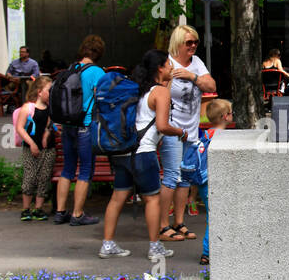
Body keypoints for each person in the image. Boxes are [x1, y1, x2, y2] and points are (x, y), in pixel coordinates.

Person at [99, 50, 186, 262]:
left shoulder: (136, 88)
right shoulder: (160, 92)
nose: (171, 68)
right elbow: (163, 126)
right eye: (168, 64)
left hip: (122, 150)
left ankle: (107, 244)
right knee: (152, 199)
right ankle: (155, 247)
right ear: (160, 68)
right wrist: (181, 132)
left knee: (118, 197)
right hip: (144, 153)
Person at [158, 25, 216, 242]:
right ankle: (163, 226)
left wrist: (192, 76)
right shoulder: (167, 63)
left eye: (195, 42)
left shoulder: (197, 63)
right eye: (188, 42)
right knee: (172, 176)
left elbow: (211, 84)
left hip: (191, 131)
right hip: (172, 130)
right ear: (178, 42)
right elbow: (156, 90)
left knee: (185, 179)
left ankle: (178, 222)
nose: (193, 46)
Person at [53, 34, 106, 226]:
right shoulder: (97, 72)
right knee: (85, 170)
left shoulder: (71, 68)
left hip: (68, 125)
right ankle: (77, 214)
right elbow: (101, 98)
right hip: (85, 125)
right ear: (99, 52)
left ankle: (60, 212)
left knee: (67, 168)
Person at [194, 97, 233, 266]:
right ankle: (207, 252)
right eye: (231, 113)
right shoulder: (222, 138)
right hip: (216, 182)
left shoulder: (206, 135)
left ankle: (214, 249)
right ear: (225, 116)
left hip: (203, 183)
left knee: (213, 216)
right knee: (216, 217)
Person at [15, 76, 55, 221]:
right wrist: (31, 143)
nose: (50, 94)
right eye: (48, 91)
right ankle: (26, 209)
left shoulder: (50, 108)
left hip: (48, 148)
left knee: (44, 177)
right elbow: (20, 128)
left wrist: (46, 134)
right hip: (30, 148)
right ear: (39, 92)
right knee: (30, 176)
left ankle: (38, 208)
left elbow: (49, 124)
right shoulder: (28, 108)